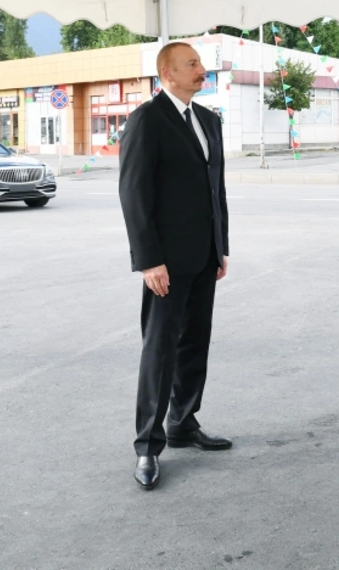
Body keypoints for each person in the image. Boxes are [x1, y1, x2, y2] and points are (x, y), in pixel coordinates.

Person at [119, 41, 231, 490]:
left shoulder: (208, 120)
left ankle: (183, 421)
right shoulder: (147, 120)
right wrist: (149, 260)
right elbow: (134, 193)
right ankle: (148, 445)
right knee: (160, 350)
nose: (202, 70)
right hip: (165, 261)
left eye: (200, 63)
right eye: (192, 64)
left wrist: (221, 247)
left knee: (194, 343)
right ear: (168, 73)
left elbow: (215, 189)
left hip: (204, 256)